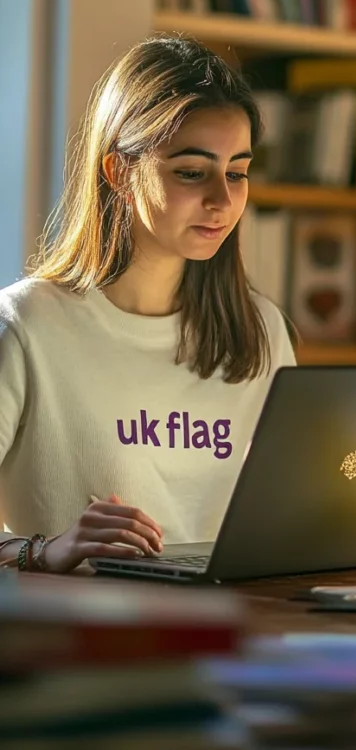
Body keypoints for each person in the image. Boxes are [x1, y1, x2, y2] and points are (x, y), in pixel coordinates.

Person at [0, 36, 295, 574]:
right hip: (85, 643)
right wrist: (45, 550)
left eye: (236, 172)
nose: (222, 201)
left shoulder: (261, 330)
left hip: (237, 634)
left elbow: (294, 516)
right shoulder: (25, 327)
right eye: (191, 171)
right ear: (118, 172)